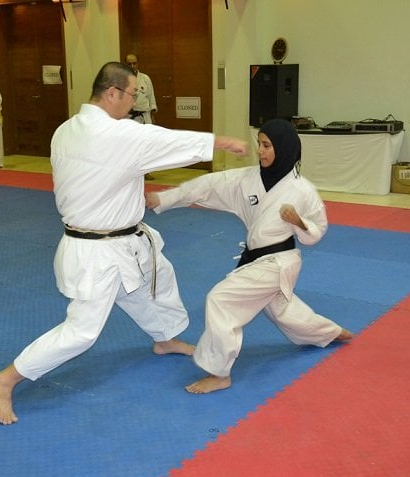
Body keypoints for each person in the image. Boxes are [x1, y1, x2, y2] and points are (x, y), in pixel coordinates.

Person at [0, 61, 248, 425]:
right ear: (112, 93)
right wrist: (222, 143)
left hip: (118, 241)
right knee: (82, 332)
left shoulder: (65, 130)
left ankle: (165, 338)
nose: (135, 101)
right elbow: (167, 140)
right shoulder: (118, 134)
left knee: (156, 281)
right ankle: (4, 380)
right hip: (97, 252)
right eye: (133, 93)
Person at [146, 119, 354, 394]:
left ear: (284, 148)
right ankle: (331, 332)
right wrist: (167, 199)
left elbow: (317, 231)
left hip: (280, 261)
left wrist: (299, 222)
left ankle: (220, 373)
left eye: (267, 146)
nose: (260, 150)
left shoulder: (303, 190)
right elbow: (209, 185)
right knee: (284, 311)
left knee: (221, 300)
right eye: (259, 143)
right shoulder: (247, 179)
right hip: (257, 260)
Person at [125, 53, 158, 180]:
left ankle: (146, 172)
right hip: (129, 117)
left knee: (147, 146)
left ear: (138, 63)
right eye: (129, 63)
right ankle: (132, 173)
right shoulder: (122, 79)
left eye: (134, 63)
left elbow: (151, 98)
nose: (132, 66)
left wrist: (153, 116)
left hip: (144, 116)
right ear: (125, 65)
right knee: (131, 146)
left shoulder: (145, 79)